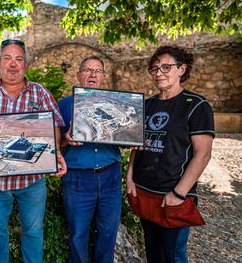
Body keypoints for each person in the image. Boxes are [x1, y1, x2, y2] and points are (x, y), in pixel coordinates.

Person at [0, 39, 67, 263]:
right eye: (7, 58)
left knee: (33, 231)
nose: (13, 64)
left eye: (18, 59)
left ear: (26, 65)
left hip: (31, 182)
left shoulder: (40, 93)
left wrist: (55, 149)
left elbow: (56, 126)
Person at [126, 45, 214, 263]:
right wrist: (129, 178)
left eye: (166, 67)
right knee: (153, 252)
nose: (159, 73)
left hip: (172, 195)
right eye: (154, 69)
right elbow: (137, 147)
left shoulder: (196, 105)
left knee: (173, 254)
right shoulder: (146, 105)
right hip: (144, 192)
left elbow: (202, 155)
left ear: (182, 69)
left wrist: (178, 194)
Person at [58, 56, 122, 263]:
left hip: (110, 175)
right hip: (78, 178)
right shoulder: (64, 105)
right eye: (87, 70)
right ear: (78, 75)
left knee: (108, 232)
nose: (93, 75)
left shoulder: (117, 104)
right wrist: (66, 140)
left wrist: (133, 139)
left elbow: (126, 134)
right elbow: (53, 143)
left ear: (103, 76)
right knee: (77, 234)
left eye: (97, 71)